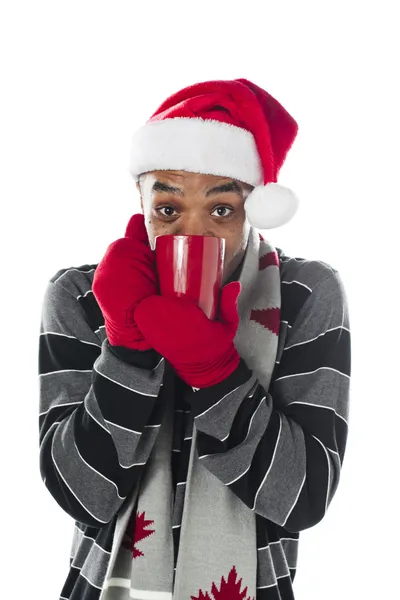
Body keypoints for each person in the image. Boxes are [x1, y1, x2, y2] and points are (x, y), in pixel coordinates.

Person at [38, 78, 351, 600]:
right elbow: (80, 494)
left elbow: (303, 497)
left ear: (253, 208)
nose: (192, 233)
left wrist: (216, 372)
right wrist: (126, 348)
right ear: (141, 203)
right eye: (168, 209)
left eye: (222, 210)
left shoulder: (304, 293)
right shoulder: (80, 295)